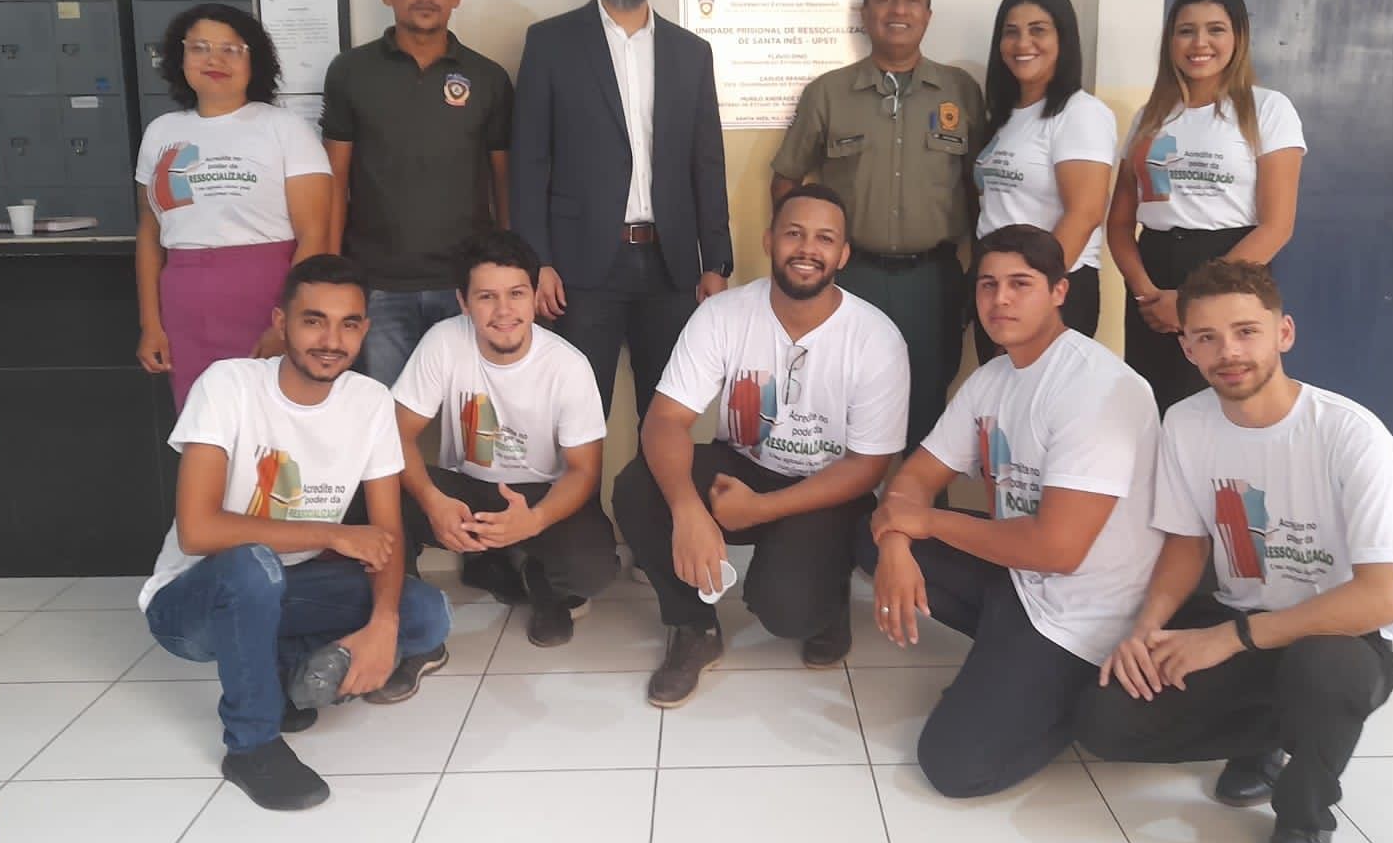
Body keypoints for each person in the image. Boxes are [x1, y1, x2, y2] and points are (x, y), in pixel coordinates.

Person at [1075, 260, 1393, 843]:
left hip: (1341, 638)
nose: (1228, 352)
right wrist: (1146, 629)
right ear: (1187, 347)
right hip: (1237, 619)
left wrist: (1232, 639)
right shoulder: (1186, 422)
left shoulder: (1351, 433)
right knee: (1104, 722)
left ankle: (1305, 822)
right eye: (1207, 337)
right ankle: (1267, 737)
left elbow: (1382, 598)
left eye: (1246, 331)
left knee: (1325, 672)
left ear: (1284, 333)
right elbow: (1187, 543)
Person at [138, 255, 451, 812]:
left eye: (348, 324)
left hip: (293, 590)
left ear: (364, 329)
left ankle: (282, 668)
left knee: (426, 614)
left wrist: (383, 624)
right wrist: (330, 535)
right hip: (193, 602)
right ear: (281, 322)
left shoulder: (370, 402)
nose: (331, 341)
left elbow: (385, 534)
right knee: (252, 564)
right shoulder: (228, 385)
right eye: (314, 321)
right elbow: (198, 531)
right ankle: (251, 747)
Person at [860, 223, 1161, 798]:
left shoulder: (1098, 387)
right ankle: (1008, 655)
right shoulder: (993, 378)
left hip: (1087, 612)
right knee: (868, 535)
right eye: (987, 285)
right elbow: (915, 479)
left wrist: (925, 521)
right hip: (1019, 579)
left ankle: (1070, 692)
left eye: (1020, 284)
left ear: (1059, 291)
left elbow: (1058, 550)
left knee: (952, 766)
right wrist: (897, 542)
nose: (1000, 299)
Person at [613, 185, 908, 707]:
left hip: (826, 487)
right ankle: (693, 626)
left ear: (843, 254)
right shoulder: (724, 314)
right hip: (743, 466)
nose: (807, 249)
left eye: (824, 238)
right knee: (638, 487)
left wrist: (763, 510)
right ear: (770, 241)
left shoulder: (875, 337)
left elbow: (869, 466)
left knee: (787, 611)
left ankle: (828, 598)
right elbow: (664, 421)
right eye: (794, 233)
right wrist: (688, 511)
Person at [510, 0, 732, 427]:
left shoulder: (690, 52)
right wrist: (536, 262)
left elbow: (707, 162)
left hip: (671, 267)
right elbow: (529, 162)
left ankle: (658, 491)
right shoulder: (550, 43)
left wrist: (715, 263)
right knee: (578, 417)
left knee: (668, 418)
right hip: (580, 268)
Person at [771, 0, 983, 451]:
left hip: (932, 282)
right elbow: (786, 179)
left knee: (927, 405)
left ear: (928, 15)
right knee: (839, 400)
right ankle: (843, 497)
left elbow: (980, 185)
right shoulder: (828, 93)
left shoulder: (960, 91)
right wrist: (801, 255)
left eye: (911, 0)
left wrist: (979, 269)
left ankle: (919, 498)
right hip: (851, 278)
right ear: (865, 14)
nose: (898, 10)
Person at [391, 230, 619, 647]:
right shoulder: (443, 341)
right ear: (463, 302)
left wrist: (535, 520)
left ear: (534, 297)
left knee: (594, 570)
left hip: (540, 495)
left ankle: (540, 579)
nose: (503, 311)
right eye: (486, 297)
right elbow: (395, 434)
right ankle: (407, 618)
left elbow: (584, 471)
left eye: (516, 294)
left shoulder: (568, 365)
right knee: (378, 491)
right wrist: (433, 501)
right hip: (468, 492)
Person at [1106, 0, 1305, 414]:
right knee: (1155, 408)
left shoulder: (1268, 109)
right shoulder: (1149, 117)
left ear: (1238, 37)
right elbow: (1119, 224)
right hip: (1153, 280)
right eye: (1186, 30)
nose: (1200, 43)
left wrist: (1192, 300)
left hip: (1232, 270)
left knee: (1228, 406)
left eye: (1215, 29)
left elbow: (1277, 225)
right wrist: (1144, 293)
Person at [321, 0, 515, 387]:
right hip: (379, 283)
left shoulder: (488, 77)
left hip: (467, 283)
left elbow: (503, 181)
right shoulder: (350, 71)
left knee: (472, 414)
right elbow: (334, 179)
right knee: (385, 414)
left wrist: (507, 267)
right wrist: (331, 272)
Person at [134, 3, 331, 407]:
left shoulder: (285, 128)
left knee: (271, 416)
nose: (214, 60)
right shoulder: (161, 132)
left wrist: (289, 320)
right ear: (179, 57)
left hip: (267, 296)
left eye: (231, 49)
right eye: (200, 48)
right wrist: (151, 323)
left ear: (254, 61)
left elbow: (315, 235)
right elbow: (150, 234)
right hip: (184, 302)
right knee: (202, 419)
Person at [970, 0, 1115, 359]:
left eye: (1038, 30)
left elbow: (1085, 214)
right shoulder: (1004, 115)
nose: (1023, 43)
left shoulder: (1080, 113)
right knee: (1002, 393)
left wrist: (1035, 291)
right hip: (1000, 285)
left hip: (1051, 289)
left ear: (1063, 38)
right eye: (1011, 32)